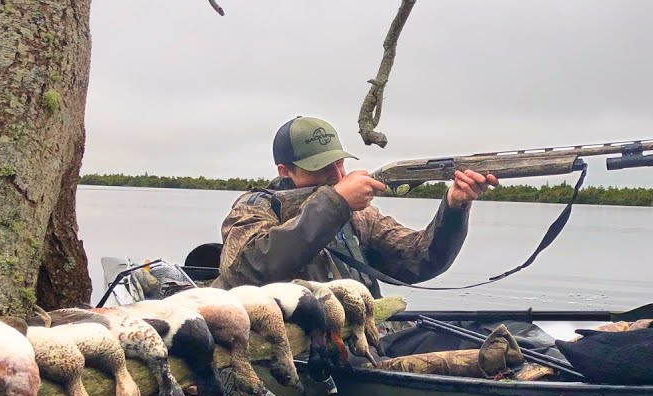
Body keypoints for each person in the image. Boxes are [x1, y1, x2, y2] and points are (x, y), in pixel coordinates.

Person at [212, 115, 498, 295]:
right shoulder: (254, 208)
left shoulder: (359, 214)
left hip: (365, 338)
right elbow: (246, 270)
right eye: (321, 167)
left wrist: (454, 207)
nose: (337, 176)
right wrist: (336, 202)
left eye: (339, 162)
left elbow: (419, 261)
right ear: (284, 171)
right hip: (303, 350)